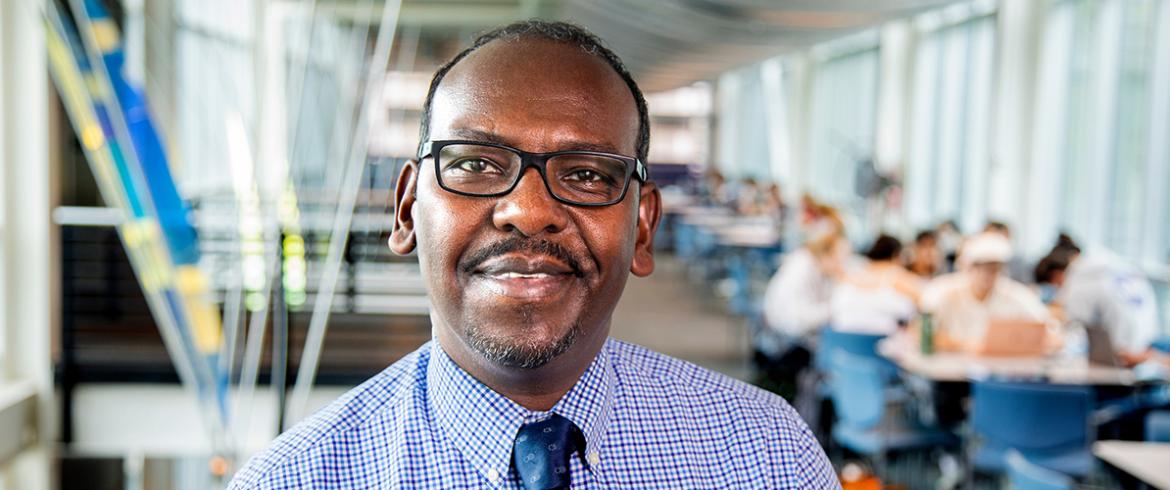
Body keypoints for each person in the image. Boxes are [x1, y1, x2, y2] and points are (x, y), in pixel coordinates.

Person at [229, 21, 836, 489]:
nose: (527, 209)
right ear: (407, 209)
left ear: (643, 228)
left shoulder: (764, 454)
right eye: (473, 164)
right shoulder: (293, 479)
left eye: (587, 175)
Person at [1035, 239, 1160, 366]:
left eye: (1056, 285)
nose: (1058, 290)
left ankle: (1154, 359)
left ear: (1056, 274)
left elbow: (1068, 320)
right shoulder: (1102, 262)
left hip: (1123, 346)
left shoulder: (1078, 278)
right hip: (1146, 331)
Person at [921, 232, 1050, 352]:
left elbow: (1050, 333)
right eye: (981, 267)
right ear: (967, 267)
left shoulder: (1017, 296)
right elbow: (921, 333)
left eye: (994, 268)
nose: (988, 274)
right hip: (950, 372)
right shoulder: (942, 291)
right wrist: (964, 345)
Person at [763, 224, 849, 339]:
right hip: (787, 341)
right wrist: (837, 308)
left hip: (796, 332)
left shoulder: (817, 266)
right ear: (825, 254)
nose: (841, 266)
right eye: (838, 260)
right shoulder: (802, 268)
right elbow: (798, 321)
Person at [830, 234, 921, 335]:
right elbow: (925, 300)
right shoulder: (896, 275)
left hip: (839, 345)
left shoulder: (851, 274)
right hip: (879, 345)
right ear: (897, 255)